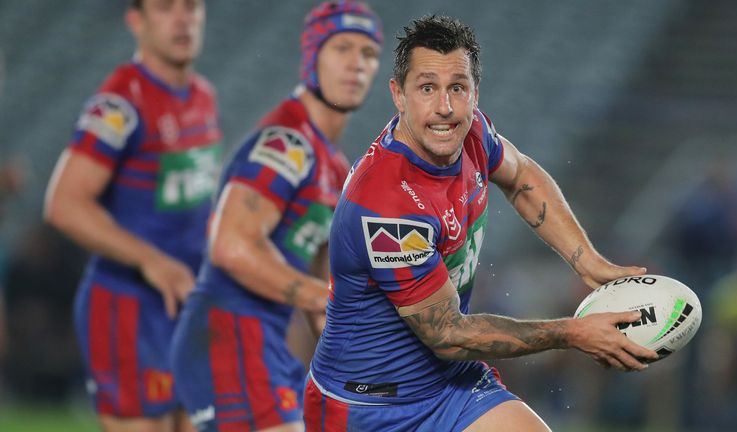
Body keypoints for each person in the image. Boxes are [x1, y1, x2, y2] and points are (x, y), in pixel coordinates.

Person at [305, 16, 659, 432]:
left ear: (475, 92)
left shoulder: (470, 131)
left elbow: (522, 177)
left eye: (458, 87)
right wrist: (572, 332)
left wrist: (588, 263)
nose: (445, 107)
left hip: (450, 384)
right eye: (427, 88)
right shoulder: (386, 203)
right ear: (398, 95)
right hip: (369, 407)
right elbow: (448, 333)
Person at [169, 2, 382, 431]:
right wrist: (334, 301)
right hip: (229, 337)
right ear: (311, 55)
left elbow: (326, 297)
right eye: (341, 48)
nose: (356, 64)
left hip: (261, 347)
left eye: (368, 53)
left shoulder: (337, 167)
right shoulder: (286, 142)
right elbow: (230, 246)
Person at [44, 1, 220, 431]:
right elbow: (64, 204)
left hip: (185, 304)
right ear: (135, 21)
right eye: (165, 8)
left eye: (191, 6)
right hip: (128, 308)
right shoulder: (119, 104)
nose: (182, 19)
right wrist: (150, 259)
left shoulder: (203, 96)